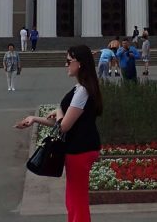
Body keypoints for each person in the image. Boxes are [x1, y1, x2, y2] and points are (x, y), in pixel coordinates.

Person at [16, 45, 102, 222]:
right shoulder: (80, 89)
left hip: (80, 150)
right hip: (79, 148)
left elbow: (64, 126)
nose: (66, 65)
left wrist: (59, 110)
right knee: (72, 199)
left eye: (69, 61)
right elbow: (60, 122)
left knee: (77, 201)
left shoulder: (83, 91)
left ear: (80, 64)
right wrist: (34, 119)